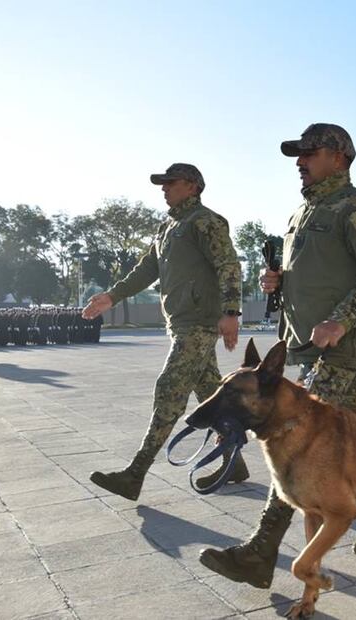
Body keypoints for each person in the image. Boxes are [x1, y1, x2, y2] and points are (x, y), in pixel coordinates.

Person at [199, 123, 356, 589]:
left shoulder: (355, 209)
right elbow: (321, 274)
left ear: (338, 157)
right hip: (306, 345)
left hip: (335, 347)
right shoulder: (306, 211)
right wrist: (279, 283)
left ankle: (260, 553)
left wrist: (341, 319)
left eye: (309, 153)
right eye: (298, 154)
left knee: (294, 444)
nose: (300, 161)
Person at [82, 163, 245, 499]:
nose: (164, 188)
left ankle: (135, 474)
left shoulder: (206, 221)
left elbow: (228, 265)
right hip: (181, 322)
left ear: (193, 186)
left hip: (199, 324)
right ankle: (234, 460)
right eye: (163, 183)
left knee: (169, 391)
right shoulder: (167, 227)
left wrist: (231, 312)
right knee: (211, 395)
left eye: (171, 183)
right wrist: (112, 296)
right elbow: (146, 271)